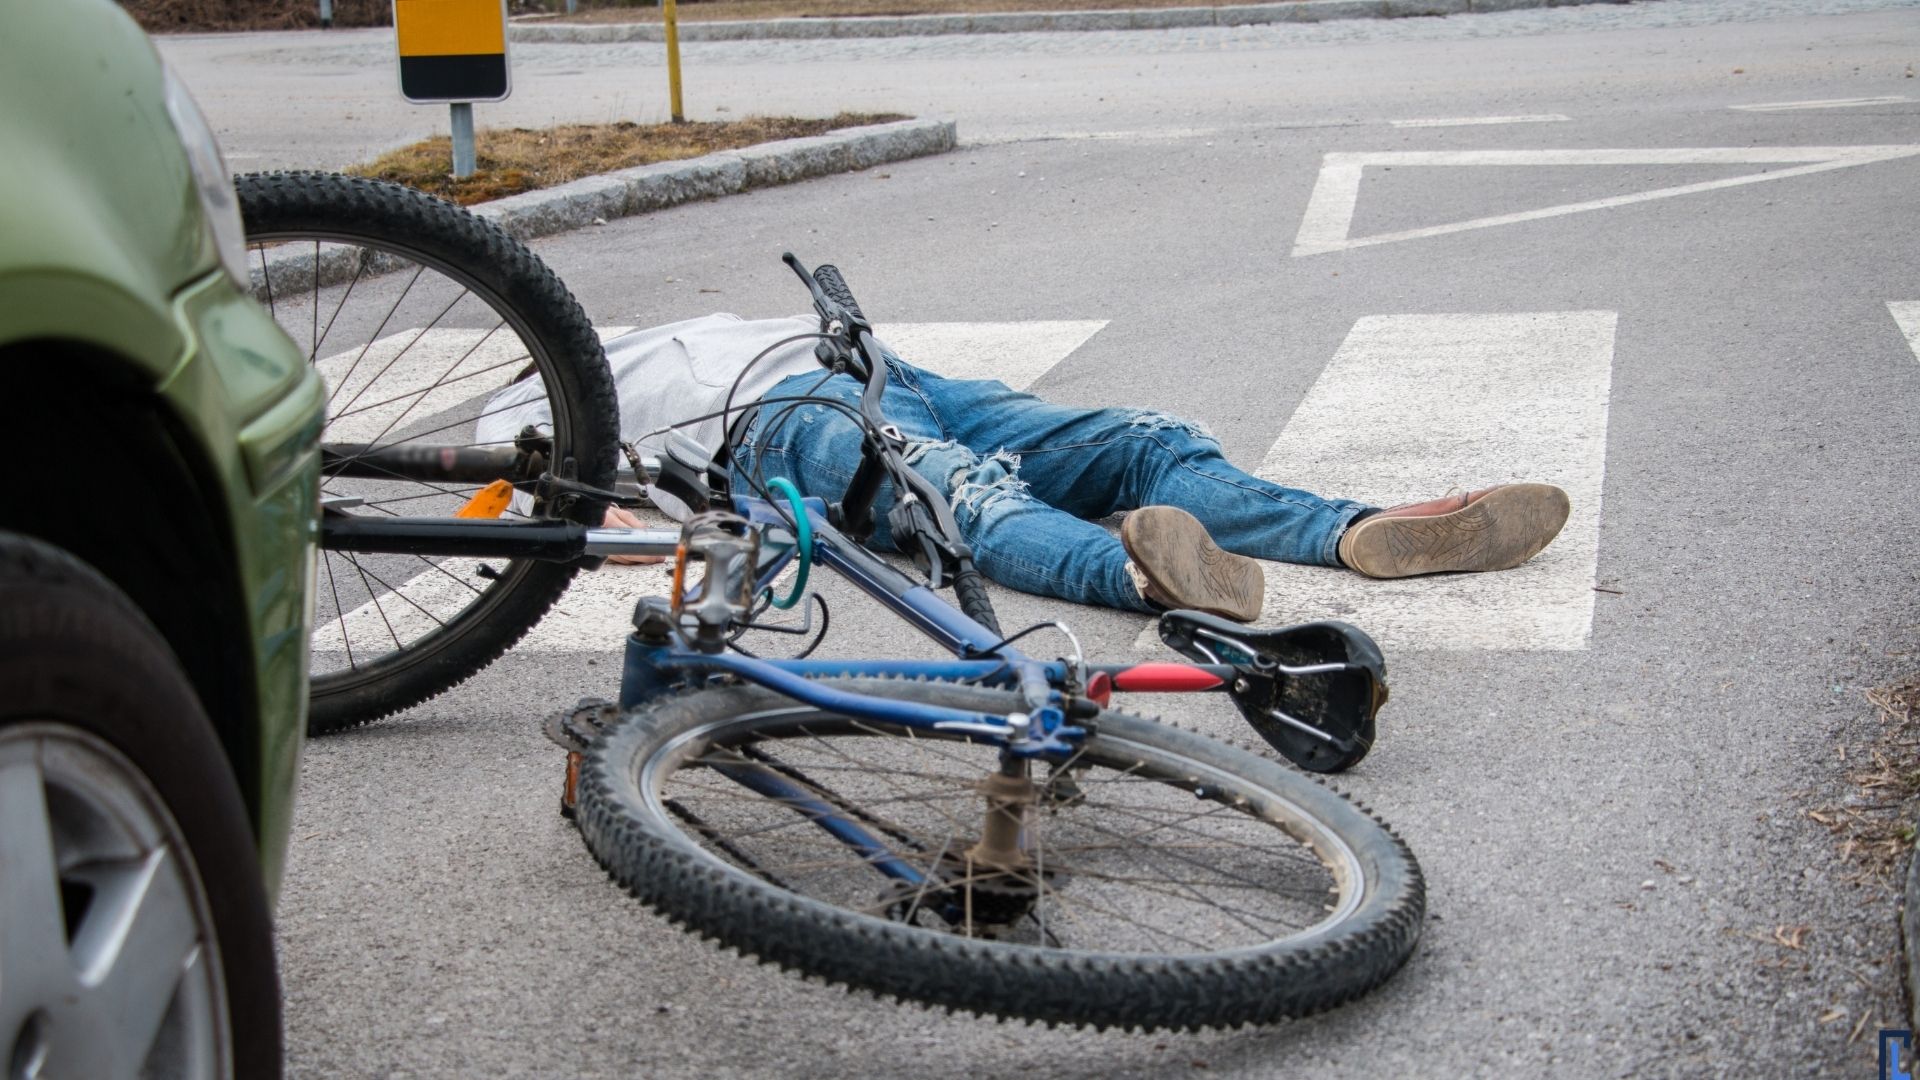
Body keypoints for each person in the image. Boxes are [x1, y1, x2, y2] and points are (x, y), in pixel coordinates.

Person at [480, 313, 1571, 622]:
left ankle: (1357, 528)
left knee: (1144, 440)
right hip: (783, 430)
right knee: (969, 496)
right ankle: (1146, 576)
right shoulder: (522, 400)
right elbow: (561, 509)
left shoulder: (571, 325)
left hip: (881, 368)